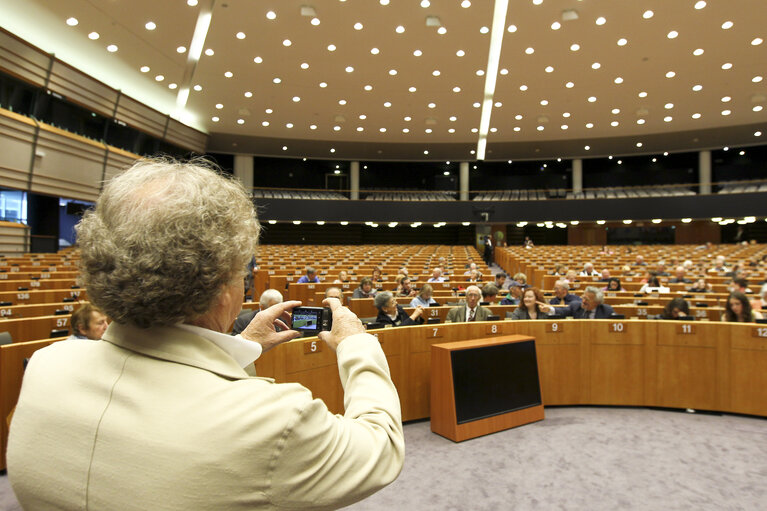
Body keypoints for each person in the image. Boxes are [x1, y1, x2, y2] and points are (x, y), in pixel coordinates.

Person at [7, 159, 405, 510]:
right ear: (221, 290)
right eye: (240, 273)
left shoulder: (47, 365)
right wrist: (357, 343)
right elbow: (381, 447)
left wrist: (241, 347)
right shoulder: (271, 419)